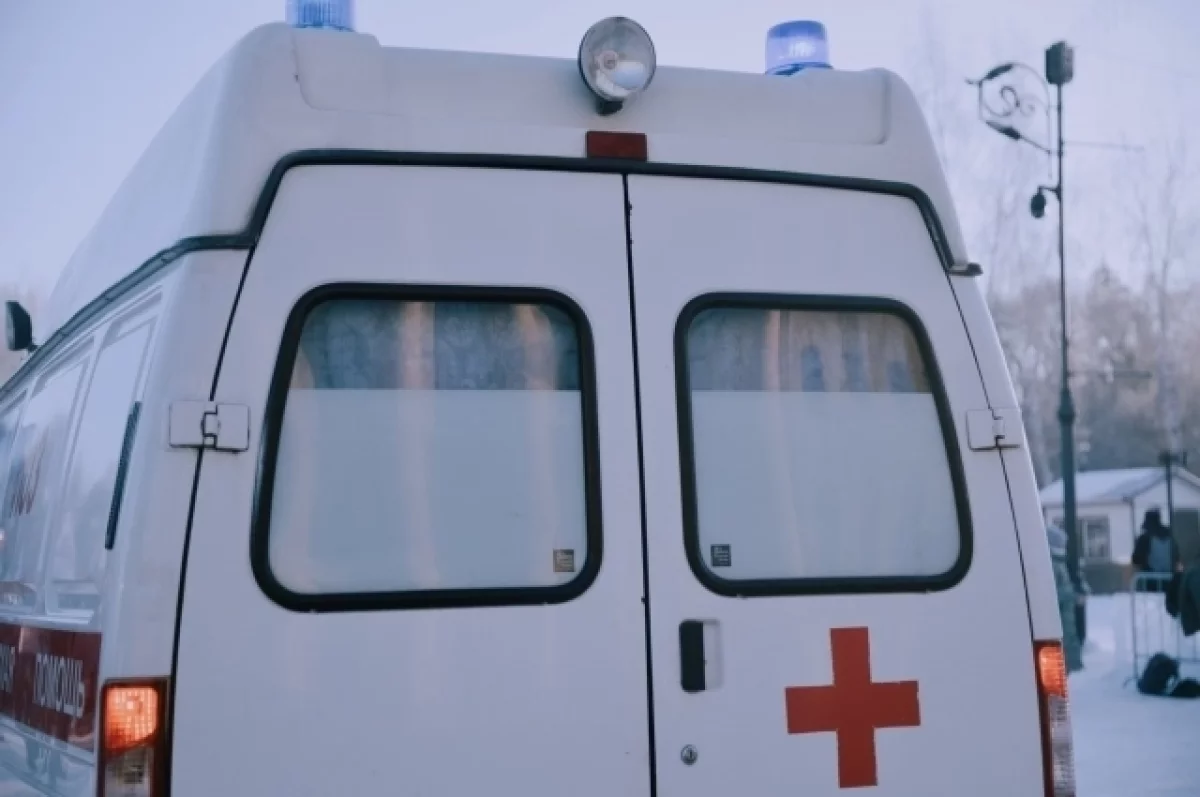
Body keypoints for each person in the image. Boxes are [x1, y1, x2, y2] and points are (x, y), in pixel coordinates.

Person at [1132, 510, 1181, 591]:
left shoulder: (1144, 538)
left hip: (1150, 581)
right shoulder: (1171, 537)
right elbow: (1177, 558)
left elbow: (1136, 559)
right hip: (1170, 579)